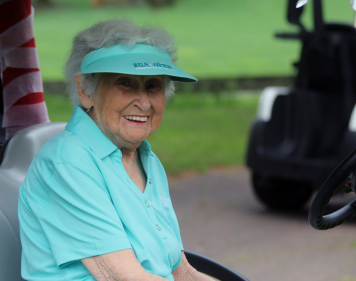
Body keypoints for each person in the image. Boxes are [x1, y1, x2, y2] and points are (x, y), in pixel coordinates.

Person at [18, 19, 215, 281]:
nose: (144, 102)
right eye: (126, 83)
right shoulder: (69, 163)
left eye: (153, 85)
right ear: (85, 90)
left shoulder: (147, 159)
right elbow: (124, 277)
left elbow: (181, 271)